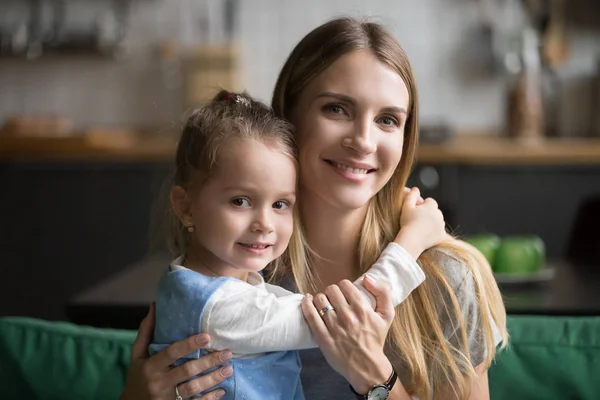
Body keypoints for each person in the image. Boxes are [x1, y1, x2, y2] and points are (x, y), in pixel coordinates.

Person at [121, 17, 508, 400]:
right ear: (289, 117)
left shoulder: (443, 279)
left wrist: (376, 379)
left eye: (388, 120)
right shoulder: (242, 260)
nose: (363, 141)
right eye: (337, 109)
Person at [148, 89, 446, 400]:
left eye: (280, 204)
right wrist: (411, 243)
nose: (264, 223)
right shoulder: (218, 308)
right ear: (186, 207)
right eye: (240, 201)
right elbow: (341, 318)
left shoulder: (194, 286)